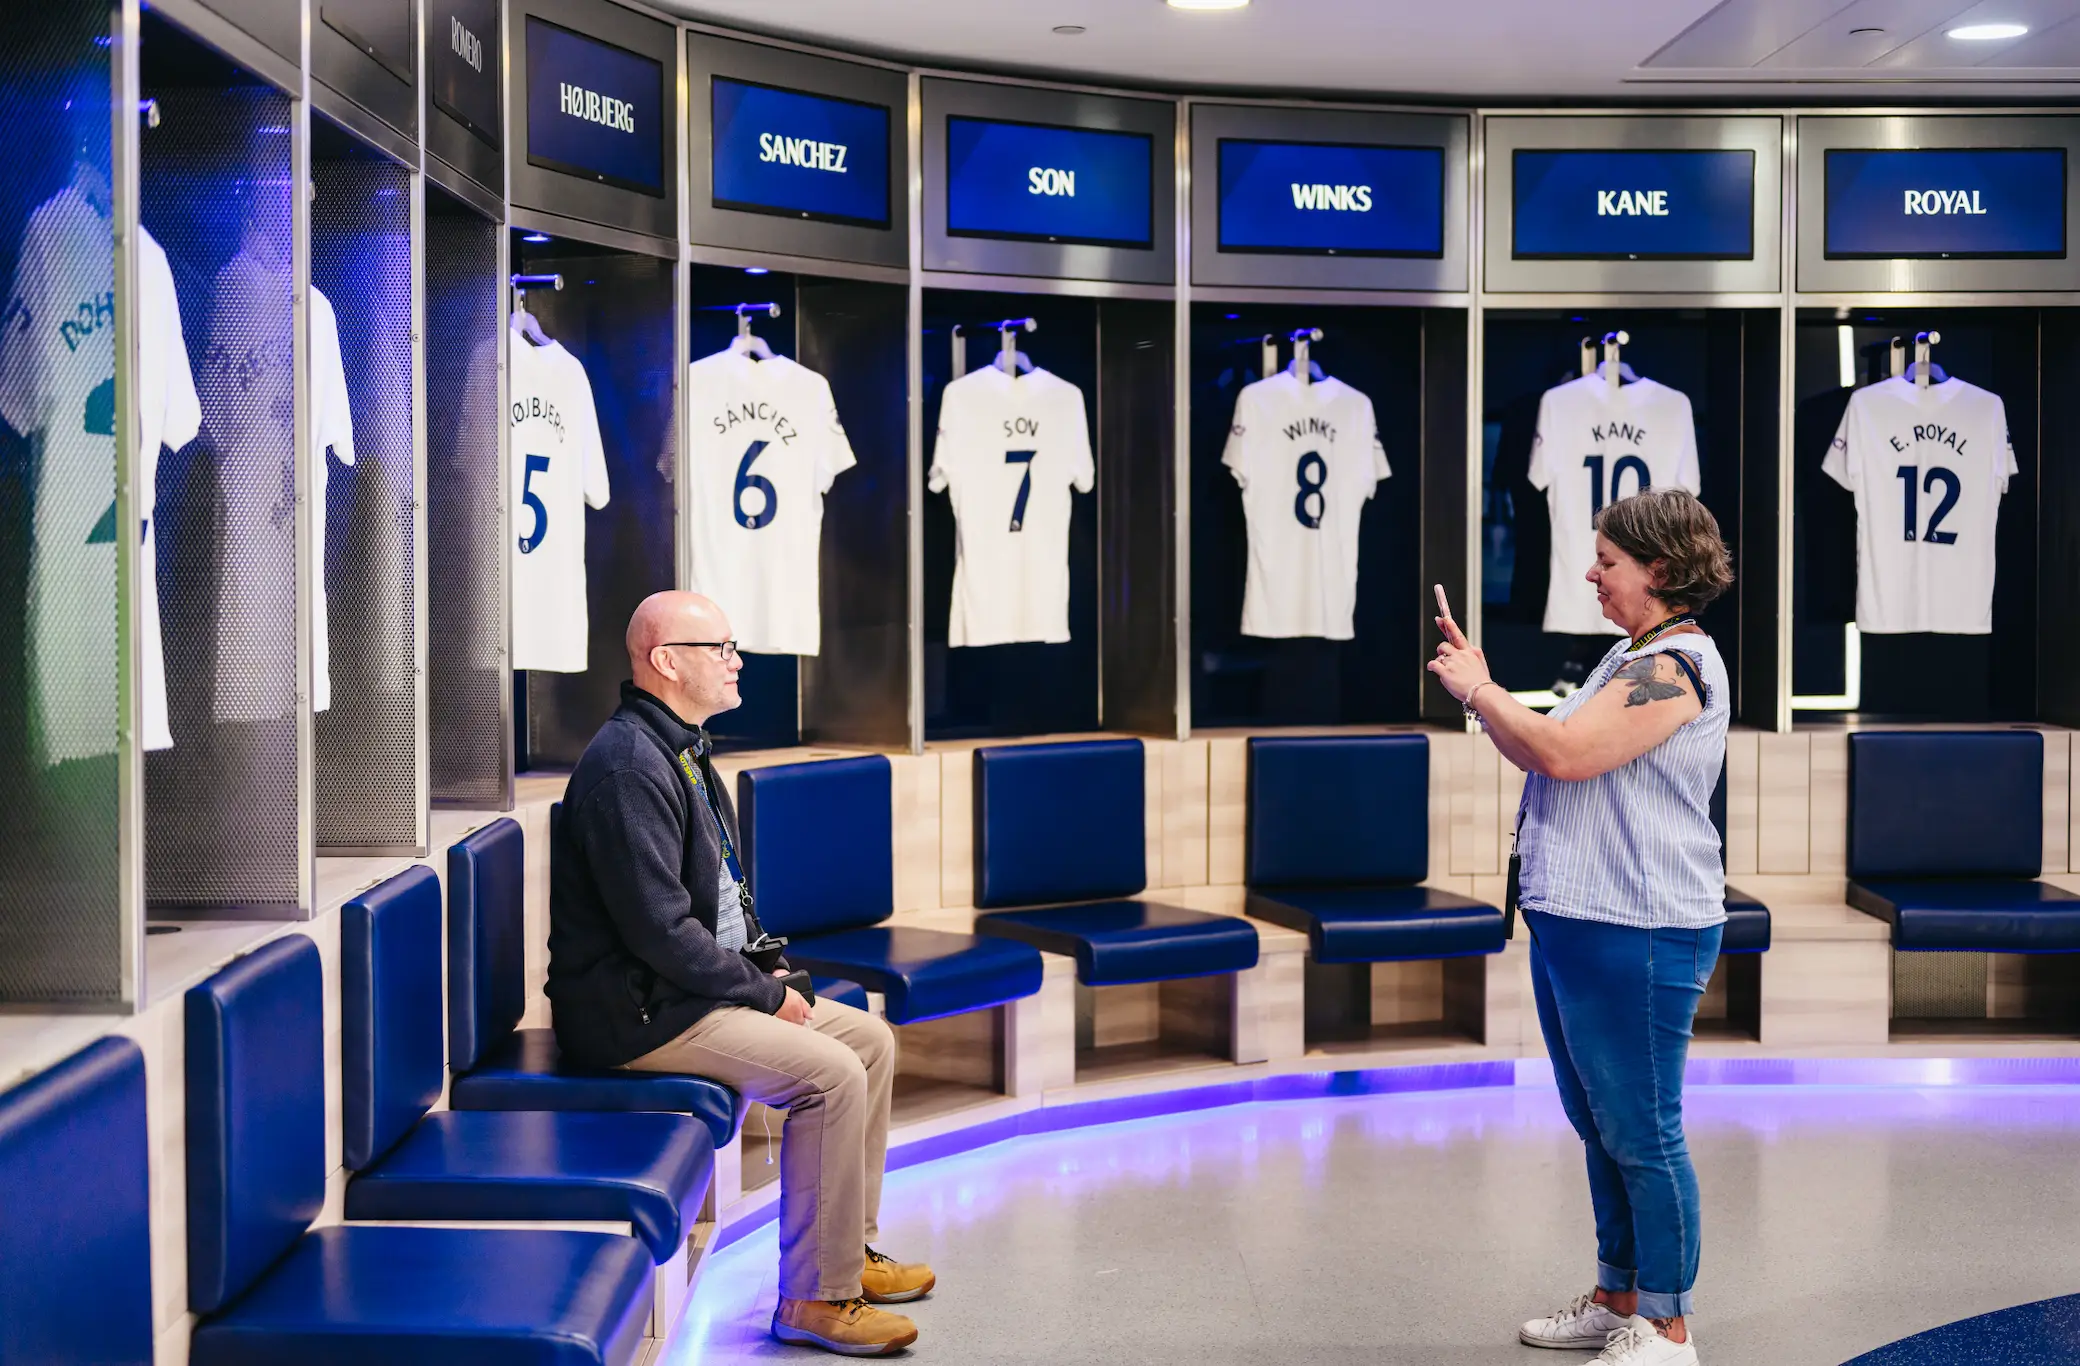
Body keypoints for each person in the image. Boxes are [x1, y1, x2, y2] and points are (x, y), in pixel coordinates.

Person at [547, 590, 934, 1356]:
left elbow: (718, 902)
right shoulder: (628, 766)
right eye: (718, 648)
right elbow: (660, 931)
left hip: (682, 992)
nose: (736, 660)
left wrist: (770, 971)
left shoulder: (681, 747)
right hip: (637, 1014)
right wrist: (763, 995)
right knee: (830, 1075)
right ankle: (814, 1302)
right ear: (665, 662)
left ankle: (845, 1256)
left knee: (872, 1043)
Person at [1427, 488, 1734, 1366]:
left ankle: (1668, 1326)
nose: (1592, 574)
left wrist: (1483, 689)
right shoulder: (1625, 656)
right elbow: (1542, 750)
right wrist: (1480, 687)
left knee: (1643, 1129)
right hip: (1577, 914)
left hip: (1638, 924)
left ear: (1662, 571)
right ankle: (1618, 1296)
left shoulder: (1674, 668)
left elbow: (1561, 753)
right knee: (1598, 1121)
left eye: (1608, 561)